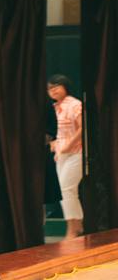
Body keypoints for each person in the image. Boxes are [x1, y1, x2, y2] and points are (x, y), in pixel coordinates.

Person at [48, 75, 84, 239]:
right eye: (49, 88)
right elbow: (57, 131)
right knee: (64, 191)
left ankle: (73, 228)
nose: (53, 90)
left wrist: (70, 144)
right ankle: (77, 225)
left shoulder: (75, 104)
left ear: (65, 86)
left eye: (56, 86)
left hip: (76, 152)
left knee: (66, 189)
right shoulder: (55, 107)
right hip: (61, 154)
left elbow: (83, 128)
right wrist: (54, 144)